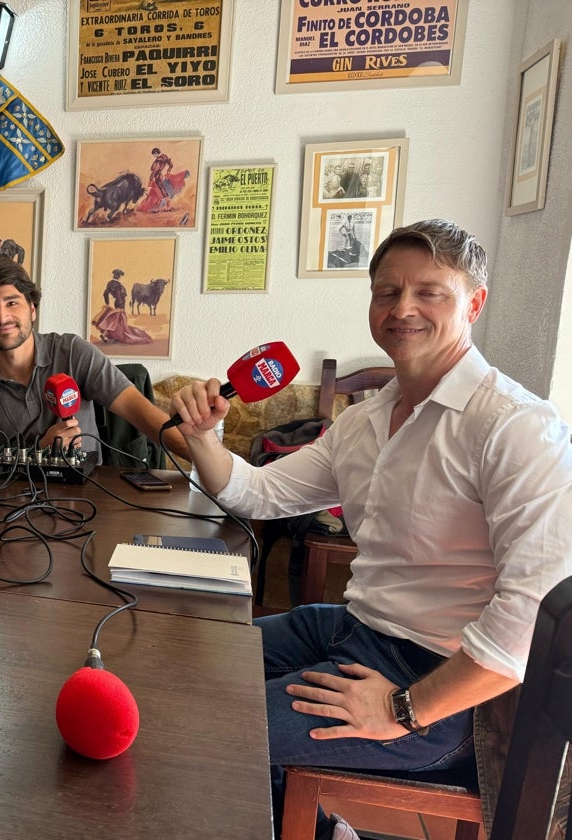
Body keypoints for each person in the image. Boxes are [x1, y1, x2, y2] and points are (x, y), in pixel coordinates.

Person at [168, 219, 572, 839]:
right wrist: (202, 436)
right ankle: (316, 826)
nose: (402, 308)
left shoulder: (516, 427)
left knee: (208, 734)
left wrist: (402, 709)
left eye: (429, 292)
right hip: (353, 628)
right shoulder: (365, 423)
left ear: (474, 303)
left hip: (440, 685)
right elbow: (256, 493)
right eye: (386, 292)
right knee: (188, 666)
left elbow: (527, 624)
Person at [0, 259, 189, 460]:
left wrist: (214, 467)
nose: (3, 317)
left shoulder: (73, 353)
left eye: (12, 303)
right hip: (15, 504)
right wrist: (41, 450)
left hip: (91, 498)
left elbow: (140, 412)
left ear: (32, 309)